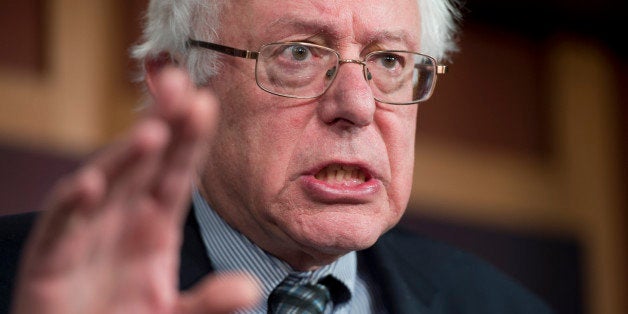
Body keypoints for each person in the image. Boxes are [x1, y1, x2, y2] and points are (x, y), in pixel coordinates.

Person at [0, 0, 553, 313]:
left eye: (389, 62)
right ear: (180, 82)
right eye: (298, 54)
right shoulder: (22, 284)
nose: (357, 106)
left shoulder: (502, 306)